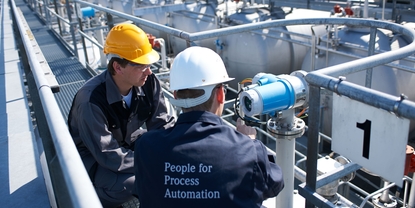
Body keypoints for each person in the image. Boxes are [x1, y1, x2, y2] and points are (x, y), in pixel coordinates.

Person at [134, 46, 284, 208]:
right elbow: (274, 185)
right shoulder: (247, 150)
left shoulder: (145, 146)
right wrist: (248, 142)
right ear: (220, 95)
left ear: (175, 95)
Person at [67, 23, 175, 207]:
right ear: (118, 67)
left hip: (126, 142)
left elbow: (162, 125)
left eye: (149, 64)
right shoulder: (91, 101)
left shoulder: (148, 82)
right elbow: (108, 155)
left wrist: (169, 154)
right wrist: (152, 164)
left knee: (169, 164)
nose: (149, 71)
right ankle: (95, 196)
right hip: (92, 157)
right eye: (142, 65)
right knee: (134, 184)